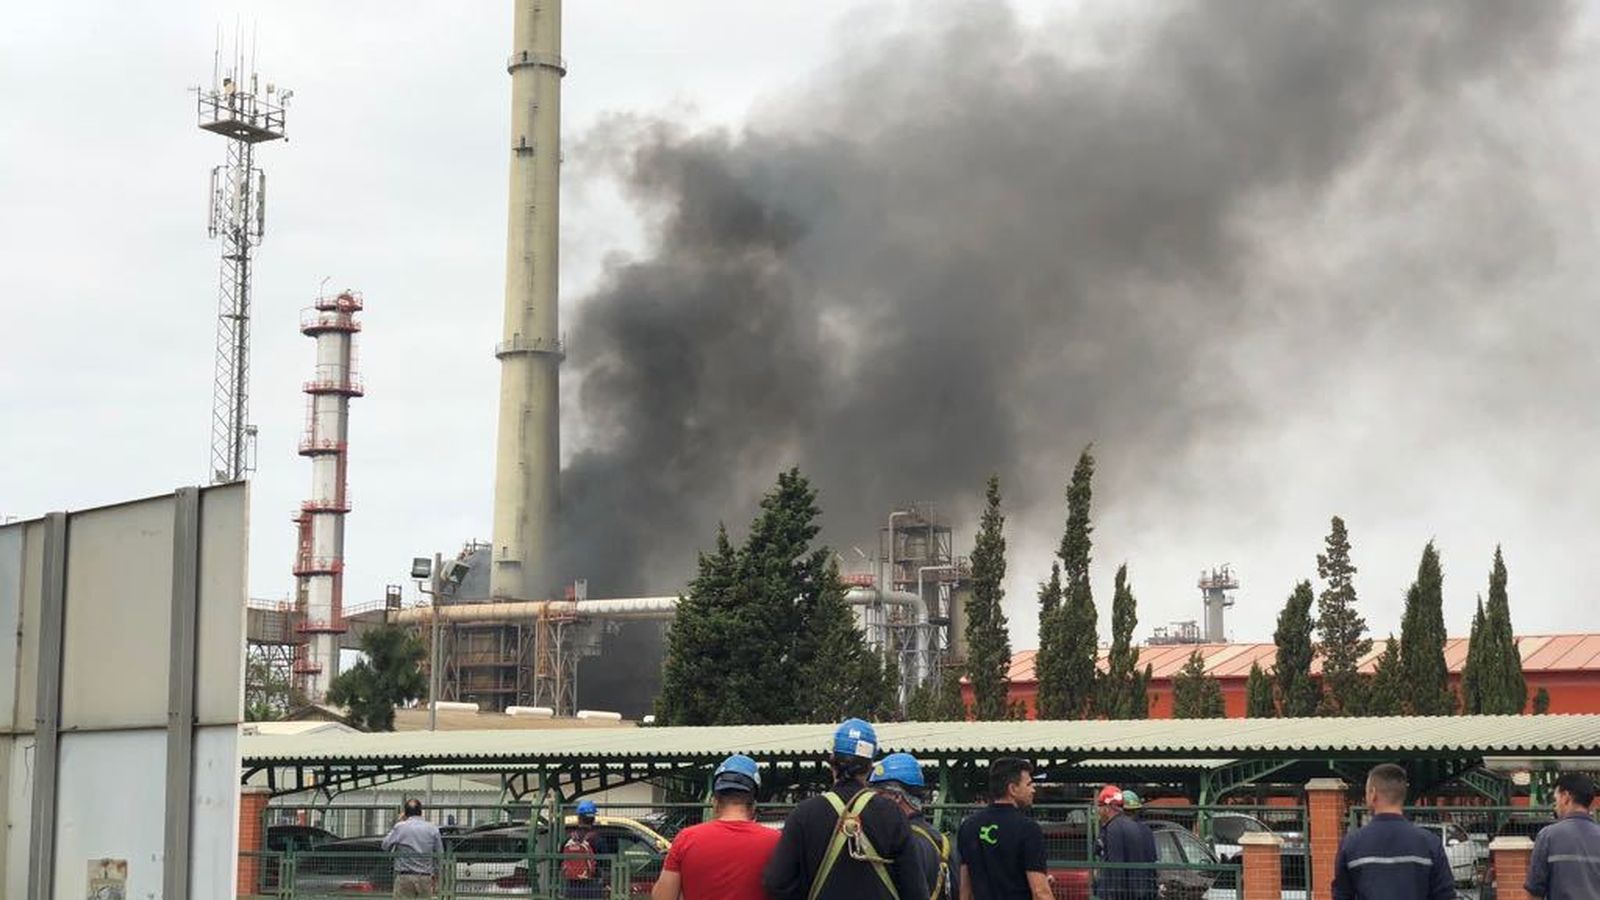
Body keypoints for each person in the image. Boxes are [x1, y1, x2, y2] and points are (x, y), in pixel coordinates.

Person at [763, 718, 927, 900]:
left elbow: (777, 881)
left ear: (832, 761)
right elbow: (915, 890)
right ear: (869, 765)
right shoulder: (892, 815)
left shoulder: (804, 814)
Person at [653, 754, 781, 900]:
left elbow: (663, 897)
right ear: (753, 803)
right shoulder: (776, 841)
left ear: (715, 801)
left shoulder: (686, 839)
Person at [1331, 764, 1453, 900]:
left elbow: (1341, 895)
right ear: (1402, 795)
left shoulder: (1351, 844)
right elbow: (1445, 895)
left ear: (1373, 794)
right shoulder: (1430, 843)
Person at [957, 757, 1051, 900]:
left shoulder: (968, 826)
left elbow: (965, 891)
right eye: (1029, 784)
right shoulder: (1028, 829)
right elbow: (1040, 892)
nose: (1033, 790)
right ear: (1012, 789)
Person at [871, 752, 952, 899]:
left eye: (879, 795)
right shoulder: (941, 840)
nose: (873, 803)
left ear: (897, 797)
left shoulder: (901, 843)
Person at [1527, 771, 1600, 899]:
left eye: (1556, 799)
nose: (1555, 806)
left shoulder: (1548, 836)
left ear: (1566, 797)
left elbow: (1535, 890)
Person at [1094, 785, 1158, 900]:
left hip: (1123, 893)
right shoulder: (1145, 830)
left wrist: (1112, 895)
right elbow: (1152, 862)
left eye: (1100, 806)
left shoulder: (1113, 828)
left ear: (1107, 807)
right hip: (1143, 892)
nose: (1098, 811)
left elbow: (1116, 867)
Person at [381, 798, 444, 899]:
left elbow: (385, 845)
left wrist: (398, 822)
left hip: (404, 877)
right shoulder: (432, 829)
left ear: (405, 813)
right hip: (425, 876)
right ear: (420, 812)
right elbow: (440, 854)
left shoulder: (400, 827)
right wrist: (436, 874)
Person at [564, 799, 618, 899]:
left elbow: (560, 860)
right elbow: (606, 863)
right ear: (593, 819)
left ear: (578, 818)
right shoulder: (597, 839)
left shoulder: (569, 838)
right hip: (592, 886)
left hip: (571, 886)